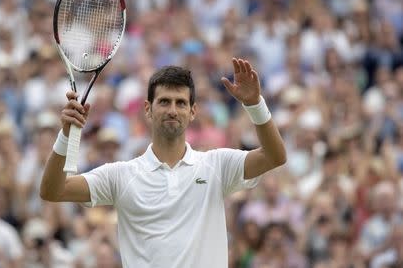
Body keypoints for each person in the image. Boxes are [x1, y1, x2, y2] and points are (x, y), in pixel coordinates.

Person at [40, 58, 287, 267]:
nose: (172, 110)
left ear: (193, 111)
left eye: (181, 103)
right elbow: (54, 190)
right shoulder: (122, 175)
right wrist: (65, 135)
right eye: (164, 101)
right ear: (148, 109)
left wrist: (255, 104)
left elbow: (274, 156)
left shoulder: (216, 165)